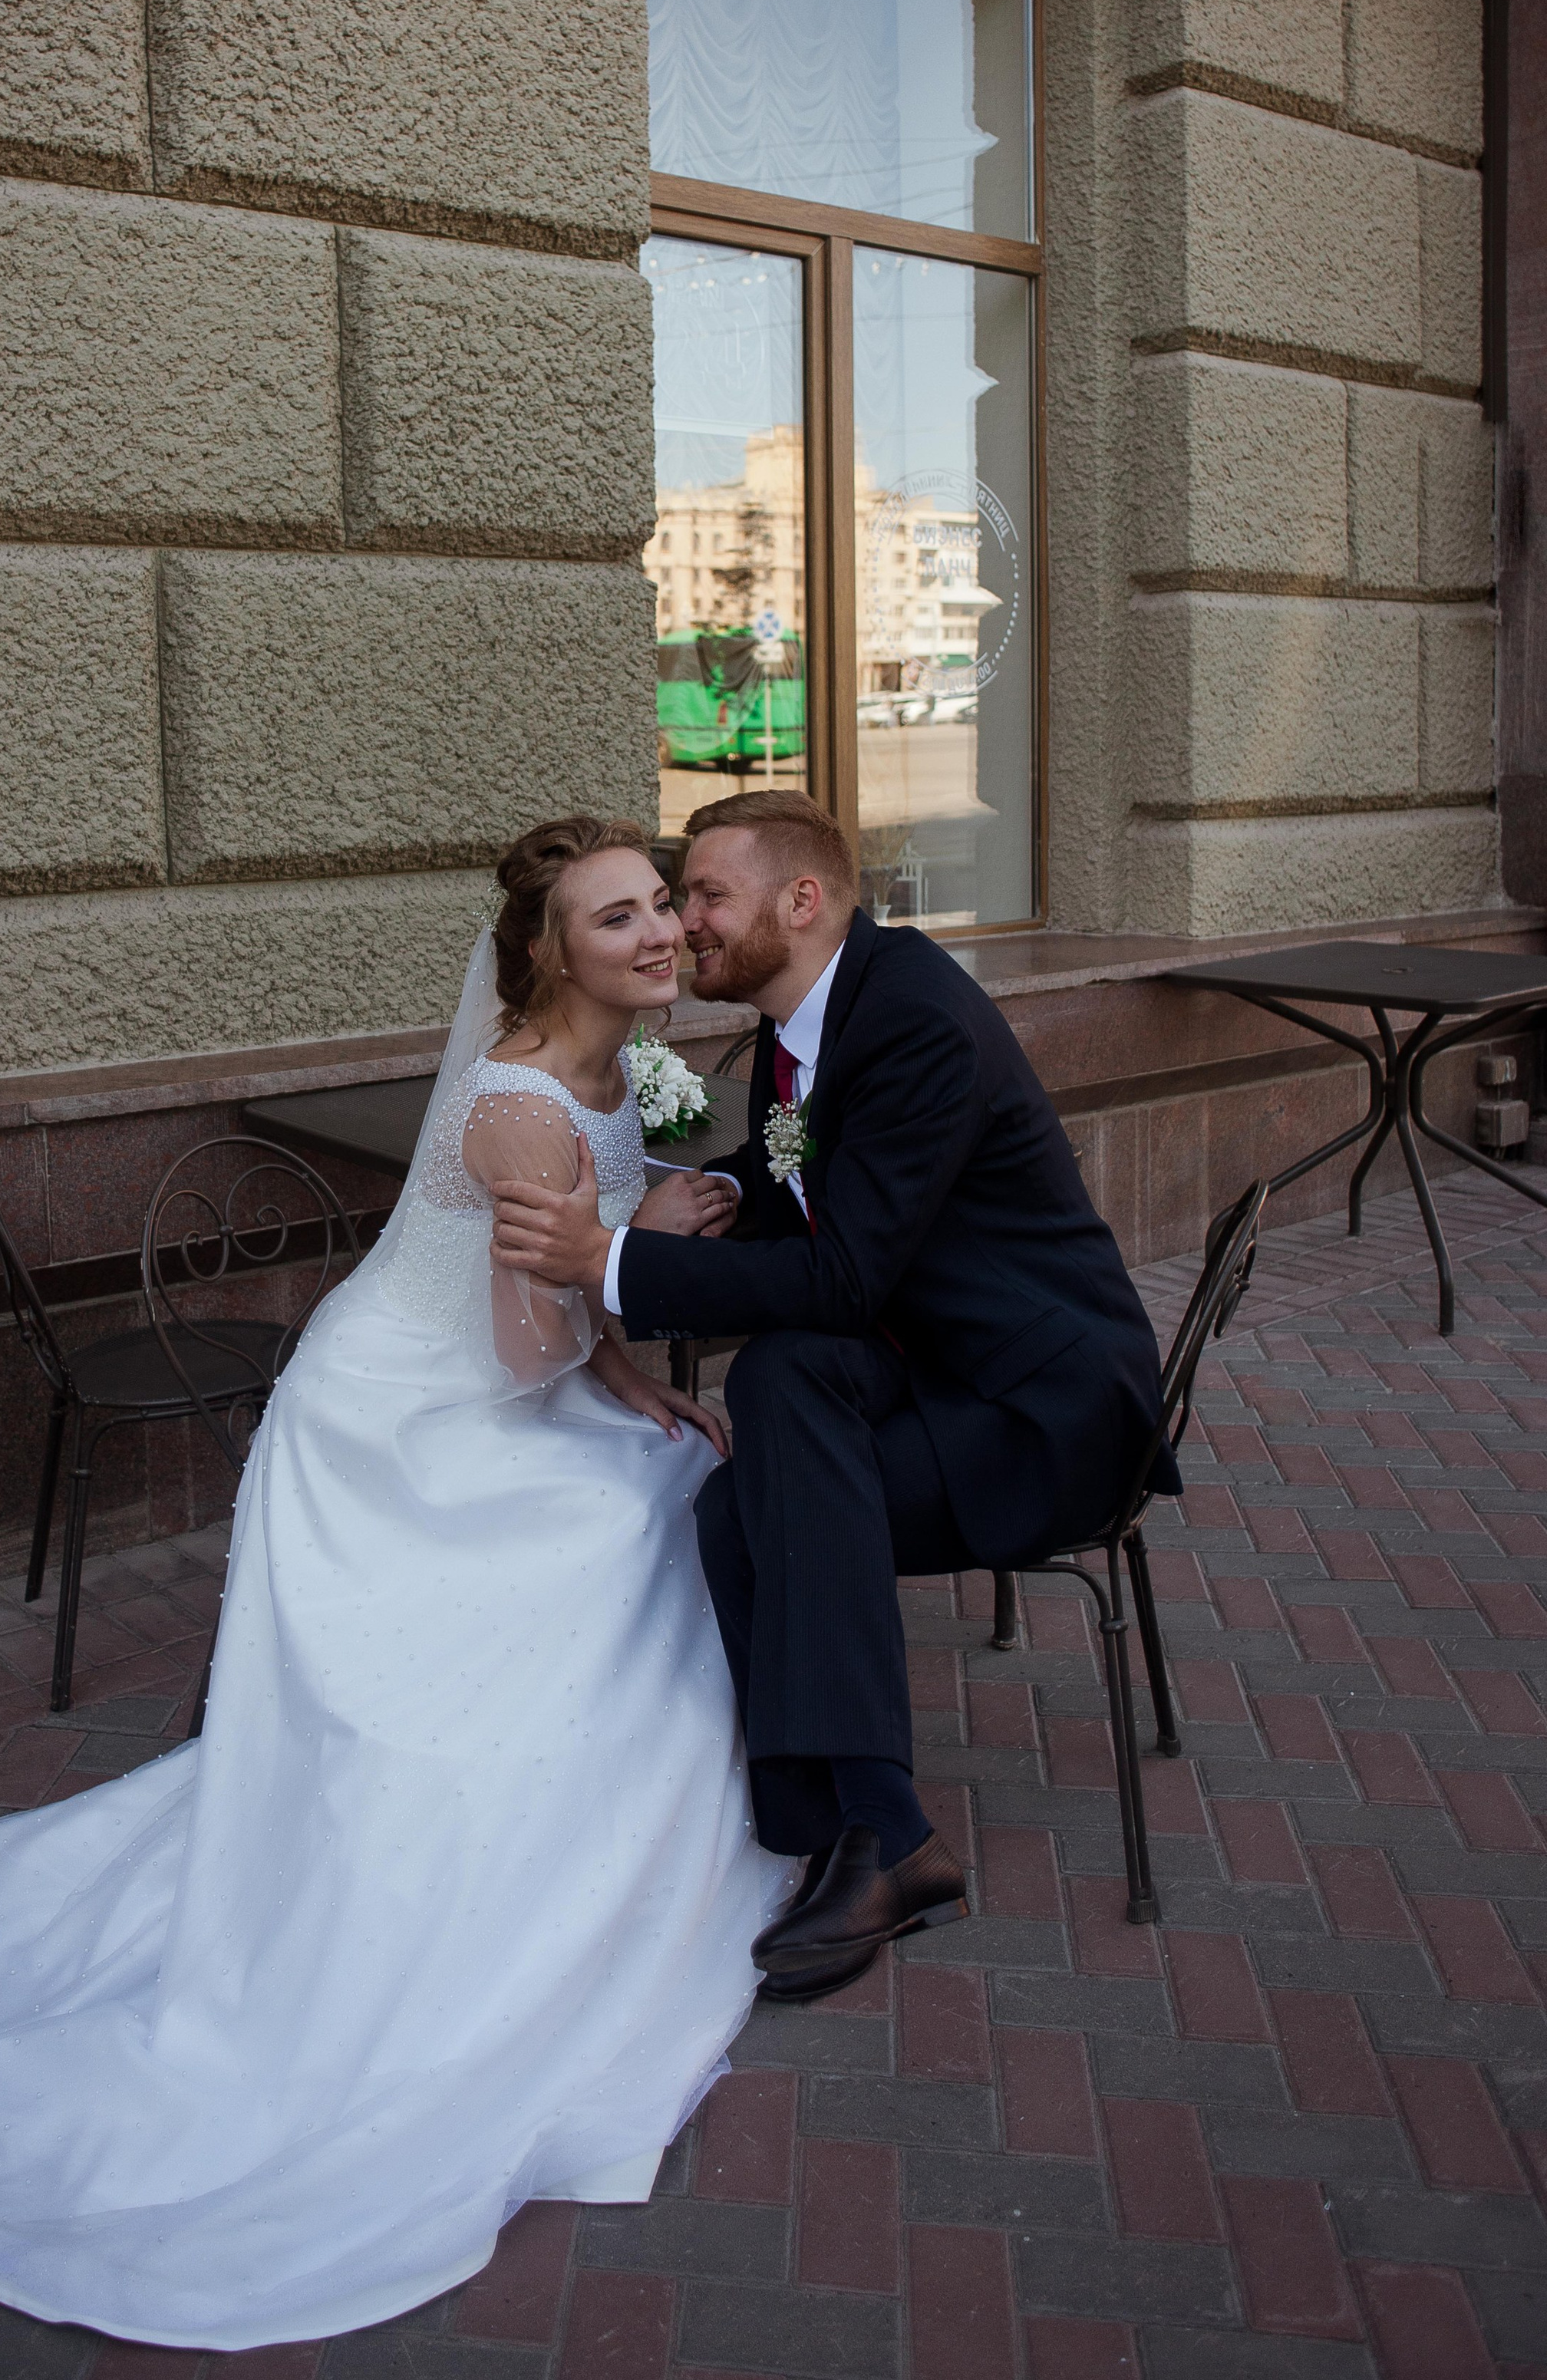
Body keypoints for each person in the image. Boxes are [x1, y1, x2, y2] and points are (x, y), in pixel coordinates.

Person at [0, 819, 789, 2355]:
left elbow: (571, 1323)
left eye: (660, 909)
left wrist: (637, 1373)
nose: (658, 937)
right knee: (626, 1546)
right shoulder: (520, 1113)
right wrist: (635, 1247)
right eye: (615, 920)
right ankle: (505, 1895)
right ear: (551, 954)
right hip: (403, 1425)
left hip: (529, 1386)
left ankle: (629, 1840)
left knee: (677, 1481)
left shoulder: (625, 1074)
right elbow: (517, 1340)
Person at [493, 789, 1169, 2006]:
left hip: (1041, 1409)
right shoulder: (815, 1021)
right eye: (676, 897)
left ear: (800, 902)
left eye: (705, 894)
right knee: (762, 1445)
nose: (683, 922)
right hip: (933, 1356)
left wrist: (608, 1263)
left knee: (765, 1479)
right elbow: (795, 1170)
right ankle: (830, 1818)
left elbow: (847, 1275)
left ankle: (885, 1835)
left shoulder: (909, 1026)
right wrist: (720, 1198)